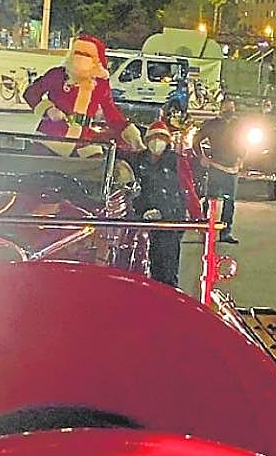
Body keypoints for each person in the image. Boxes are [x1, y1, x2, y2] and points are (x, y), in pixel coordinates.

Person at [22, 34, 144, 153]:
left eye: (86, 55)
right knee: (40, 162)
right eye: (77, 53)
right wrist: (49, 109)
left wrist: (130, 132)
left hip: (84, 139)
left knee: (97, 164)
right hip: (50, 136)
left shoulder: (100, 84)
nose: (80, 58)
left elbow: (111, 113)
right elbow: (30, 93)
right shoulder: (57, 75)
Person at [130, 121, 202, 288]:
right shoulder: (138, 160)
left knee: (168, 266)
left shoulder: (176, 161)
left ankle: (169, 294)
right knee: (148, 264)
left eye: (161, 137)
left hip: (171, 220)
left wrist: (197, 216)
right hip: (145, 220)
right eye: (153, 137)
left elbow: (187, 189)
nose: (157, 141)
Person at [193, 98, 242, 244]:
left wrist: (241, 159)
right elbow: (196, 141)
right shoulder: (212, 125)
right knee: (210, 200)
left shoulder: (238, 125)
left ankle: (225, 232)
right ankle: (205, 230)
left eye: (232, 108)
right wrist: (202, 157)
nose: (230, 111)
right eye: (227, 108)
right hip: (215, 168)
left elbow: (244, 144)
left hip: (232, 170)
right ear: (221, 109)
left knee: (229, 202)